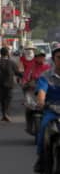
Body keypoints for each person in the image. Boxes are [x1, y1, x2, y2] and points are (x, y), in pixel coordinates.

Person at [33, 44, 60, 173]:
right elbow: (41, 92)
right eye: (59, 57)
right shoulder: (46, 76)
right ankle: (41, 158)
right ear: (54, 59)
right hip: (52, 110)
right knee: (43, 127)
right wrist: (41, 101)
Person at [0, 47, 23, 122]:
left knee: (3, 100)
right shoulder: (11, 63)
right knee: (8, 99)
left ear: (1, 54)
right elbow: (17, 72)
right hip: (9, 84)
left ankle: (4, 114)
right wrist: (24, 76)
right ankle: (6, 114)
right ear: (7, 53)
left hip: (1, 84)